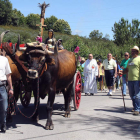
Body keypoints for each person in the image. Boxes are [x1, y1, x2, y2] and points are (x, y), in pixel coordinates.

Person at [119, 46, 140, 115]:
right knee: (132, 95)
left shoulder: (139, 59)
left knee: (137, 95)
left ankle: (137, 109)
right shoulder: (130, 60)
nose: (132, 52)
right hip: (130, 80)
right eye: (132, 51)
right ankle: (135, 107)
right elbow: (127, 69)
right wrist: (122, 72)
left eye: (134, 51)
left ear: (137, 52)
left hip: (137, 80)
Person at [0, 55, 13, 133]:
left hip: (2, 86)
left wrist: (11, 88)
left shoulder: (4, 59)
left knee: (4, 108)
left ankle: (3, 124)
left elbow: (8, 75)